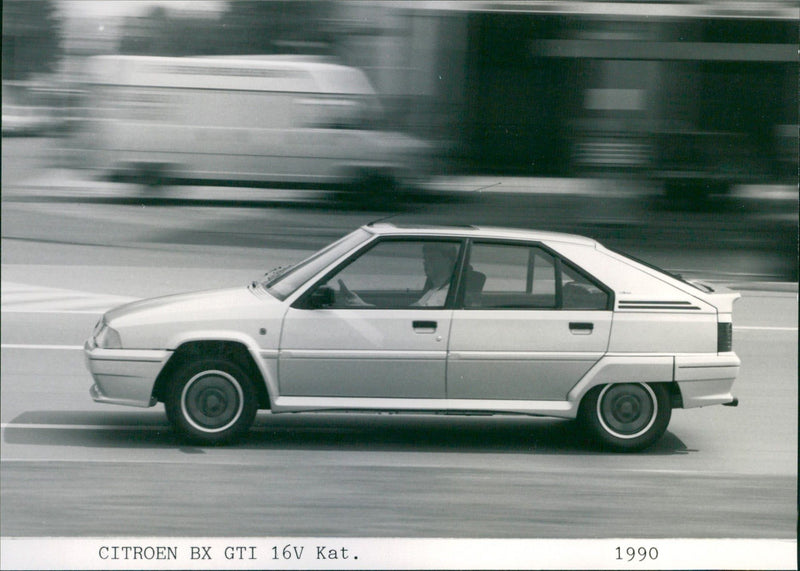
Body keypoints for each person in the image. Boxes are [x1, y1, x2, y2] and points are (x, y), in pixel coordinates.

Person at [337, 242, 458, 307]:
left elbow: (409, 315)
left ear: (447, 261)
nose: (425, 263)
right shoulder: (434, 288)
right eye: (425, 259)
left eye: (431, 259)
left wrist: (364, 306)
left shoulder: (444, 295)